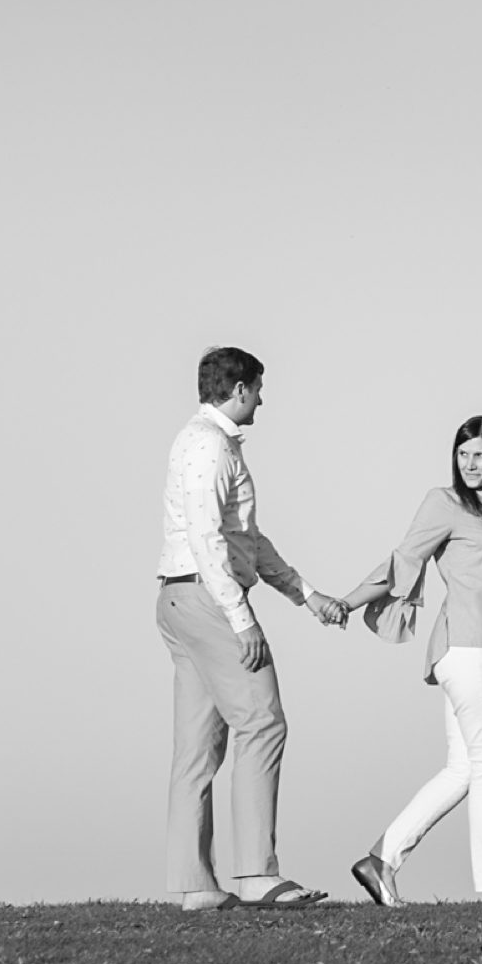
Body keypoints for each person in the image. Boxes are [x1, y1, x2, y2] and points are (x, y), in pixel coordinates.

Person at [157, 346, 348, 911]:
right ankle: (256, 875)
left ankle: (195, 886)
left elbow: (246, 540)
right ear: (239, 389)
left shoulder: (208, 444)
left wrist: (306, 596)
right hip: (208, 598)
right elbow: (209, 541)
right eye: (259, 388)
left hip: (180, 599)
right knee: (264, 723)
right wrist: (242, 621)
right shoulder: (209, 447)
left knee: (198, 747)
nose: (263, 398)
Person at [339, 415, 482, 908]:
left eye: (480, 454)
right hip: (468, 647)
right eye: (462, 454)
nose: (470, 464)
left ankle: (381, 860)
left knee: (464, 769)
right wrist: (345, 602)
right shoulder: (445, 503)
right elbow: (402, 559)